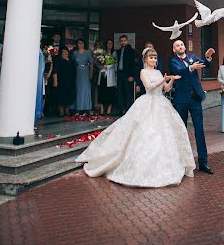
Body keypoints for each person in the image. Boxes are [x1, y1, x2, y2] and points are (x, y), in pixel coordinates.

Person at [76, 47, 195, 187]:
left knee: (163, 135)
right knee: (144, 133)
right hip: (148, 102)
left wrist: (171, 81)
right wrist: (162, 79)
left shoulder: (158, 71)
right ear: (145, 59)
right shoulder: (143, 71)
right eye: (151, 58)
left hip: (161, 103)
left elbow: (166, 89)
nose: (153, 60)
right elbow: (149, 87)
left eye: (155, 58)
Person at [169, 39, 215, 174]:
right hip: (181, 101)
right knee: (181, 131)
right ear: (174, 49)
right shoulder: (173, 61)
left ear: (184, 47)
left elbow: (205, 64)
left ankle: (203, 162)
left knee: (199, 130)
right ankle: (182, 162)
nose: (180, 46)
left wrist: (207, 57)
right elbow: (179, 71)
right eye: (177, 45)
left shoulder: (193, 57)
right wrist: (190, 68)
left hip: (195, 99)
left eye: (182, 44)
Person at [116, 35, 137, 115]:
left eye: (124, 40)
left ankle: (129, 110)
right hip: (120, 73)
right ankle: (121, 110)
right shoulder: (118, 51)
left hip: (128, 74)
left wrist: (132, 75)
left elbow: (133, 64)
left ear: (127, 41)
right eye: (121, 41)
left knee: (128, 92)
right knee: (120, 92)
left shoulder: (131, 51)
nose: (123, 42)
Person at [53, 46, 76, 117]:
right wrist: (55, 81)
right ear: (61, 53)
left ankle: (67, 111)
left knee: (69, 96)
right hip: (61, 81)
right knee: (61, 97)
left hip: (70, 82)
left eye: (66, 51)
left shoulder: (71, 60)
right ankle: (61, 112)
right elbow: (55, 71)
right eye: (64, 52)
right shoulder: (59, 60)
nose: (65, 53)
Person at [72, 39, 93, 115]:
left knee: (86, 89)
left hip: (86, 71)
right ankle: (78, 108)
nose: (80, 44)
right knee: (78, 90)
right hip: (78, 72)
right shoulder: (75, 53)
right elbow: (73, 63)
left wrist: (91, 74)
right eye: (78, 43)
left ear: (84, 44)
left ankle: (87, 108)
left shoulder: (87, 52)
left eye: (81, 43)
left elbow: (91, 64)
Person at [97, 39, 117, 115]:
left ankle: (109, 108)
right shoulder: (102, 52)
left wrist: (107, 66)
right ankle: (101, 108)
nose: (109, 45)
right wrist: (101, 66)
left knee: (110, 91)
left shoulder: (114, 53)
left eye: (111, 43)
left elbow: (114, 62)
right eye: (108, 43)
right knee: (102, 91)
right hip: (102, 73)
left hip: (110, 73)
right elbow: (98, 62)